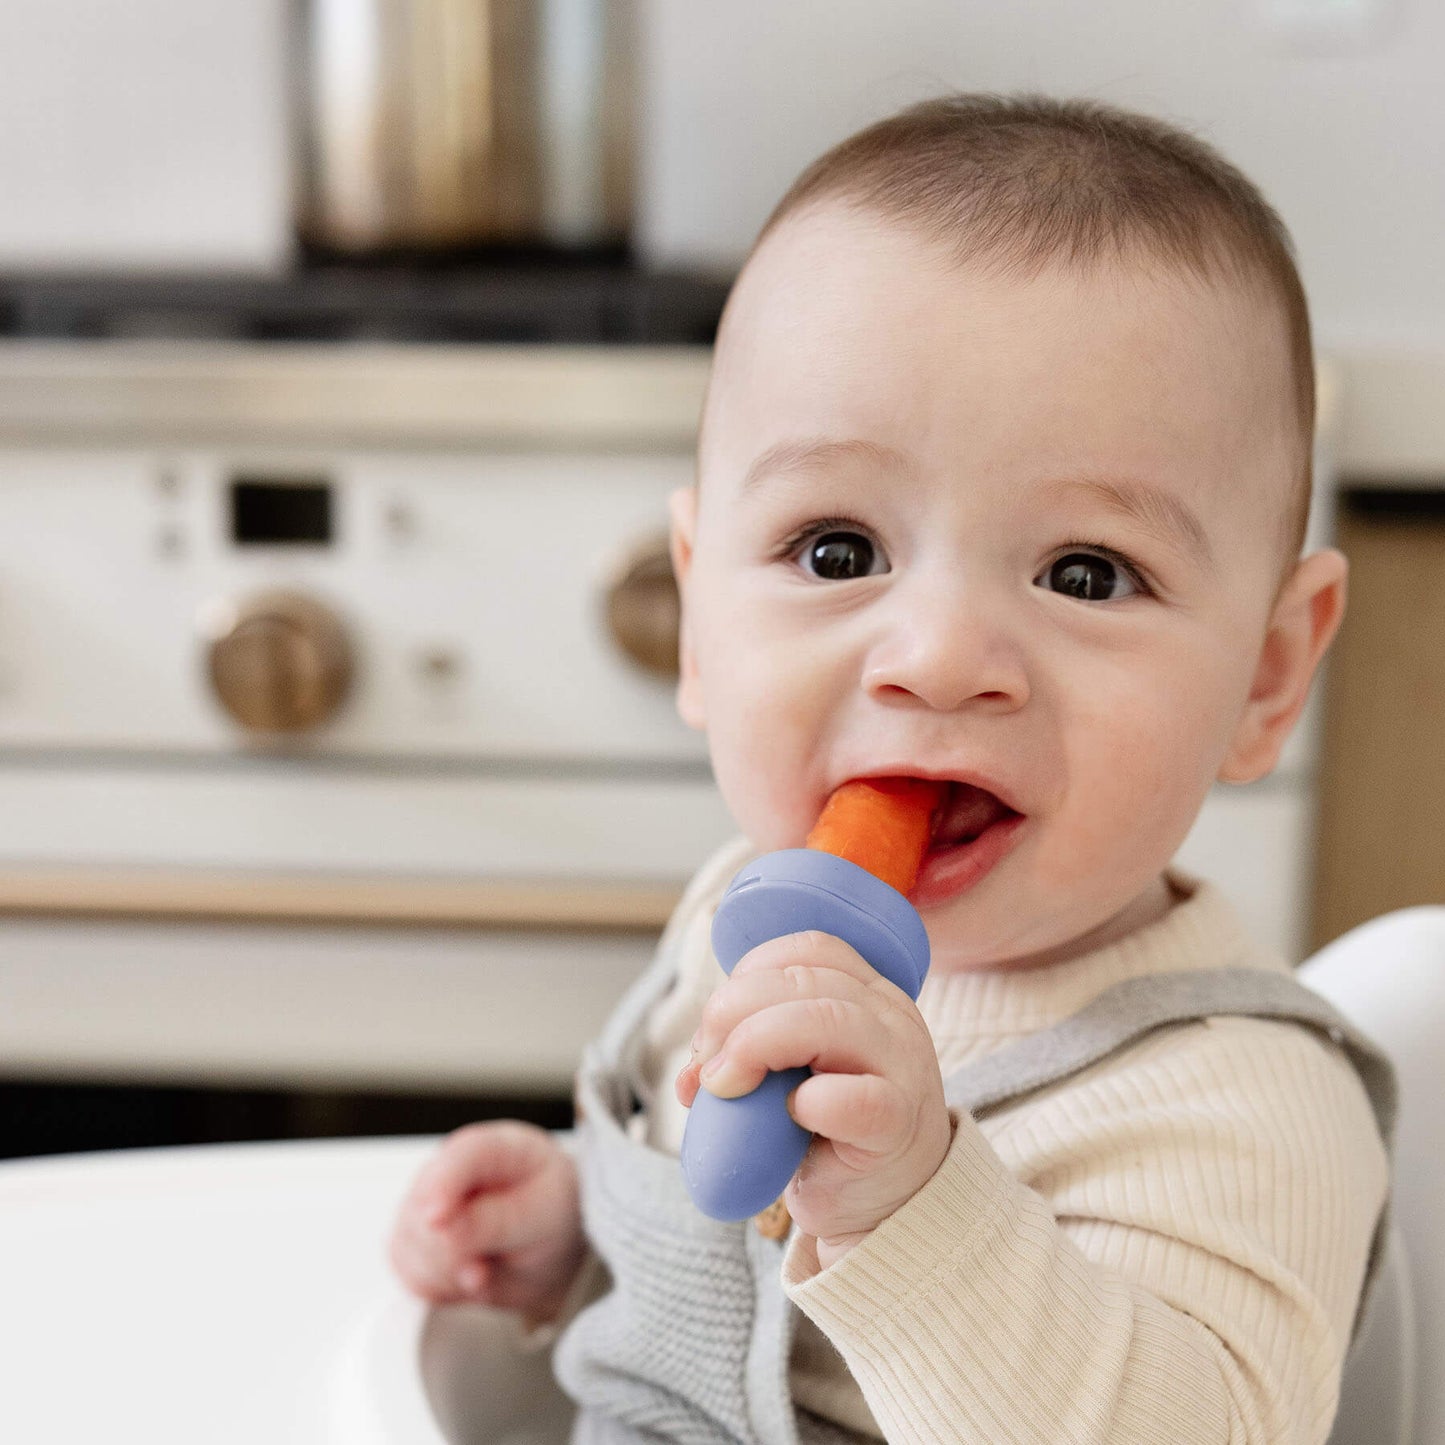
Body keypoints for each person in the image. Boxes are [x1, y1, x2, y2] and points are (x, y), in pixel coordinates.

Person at [388, 95, 1393, 1444]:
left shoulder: (1235, 1103)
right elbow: (711, 1259)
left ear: (1263, 677)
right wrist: (572, 1237)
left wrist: (918, 1210)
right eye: (836, 549)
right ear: (697, 617)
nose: (935, 656)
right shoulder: (735, 914)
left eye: (1084, 572)